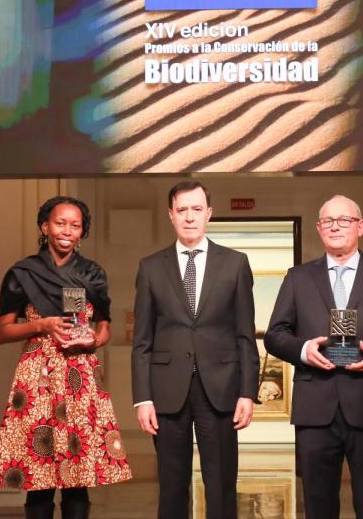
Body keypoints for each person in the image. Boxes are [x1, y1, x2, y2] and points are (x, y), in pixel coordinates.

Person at [264, 195, 363, 519]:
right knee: (318, 507)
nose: (335, 226)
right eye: (328, 221)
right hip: (314, 412)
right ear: (319, 229)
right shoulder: (298, 278)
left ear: (360, 226)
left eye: (344, 220)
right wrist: (304, 350)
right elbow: (275, 335)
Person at [0, 196, 132, 519]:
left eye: (75, 225)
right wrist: (42, 324)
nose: (67, 230)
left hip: (80, 375)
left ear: (82, 232)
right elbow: (2, 332)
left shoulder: (93, 273)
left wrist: (95, 338)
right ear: (45, 226)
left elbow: (104, 326)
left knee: (78, 477)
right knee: (38, 475)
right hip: (37, 376)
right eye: (60, 223)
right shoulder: (23, 272)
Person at [131, 181, 259, 519]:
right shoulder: (150, 267)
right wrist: (142, 398)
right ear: (171, 215)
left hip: (220, 388)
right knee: (172, 487)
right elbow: (142, 340)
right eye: (182, 210)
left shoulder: (235, 264)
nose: (190, 217)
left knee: (221, 486)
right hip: (166, 391)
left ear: (209, 214)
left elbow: (245, 335)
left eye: (197, 209)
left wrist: (248, 392)